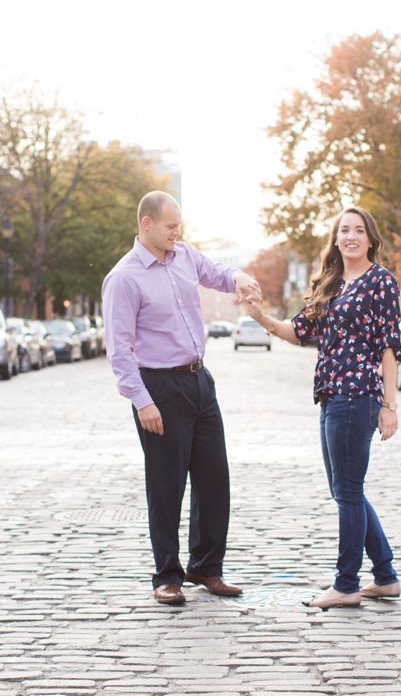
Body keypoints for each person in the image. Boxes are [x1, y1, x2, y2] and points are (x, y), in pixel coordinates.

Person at [102, 191, 260, 605]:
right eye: (171, 226)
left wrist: (239, 277)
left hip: (199, 381)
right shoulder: (124, 278)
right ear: (147, 224)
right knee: (167, 485)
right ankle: (167, 575)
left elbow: (218, 274)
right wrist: (142, 401)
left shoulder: (184, 256)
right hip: (159, 389)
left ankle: (207, 566)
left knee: (213, 479)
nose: (178, 232)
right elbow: (119, 352)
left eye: (180, 226)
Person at [246, 206, 401, 609]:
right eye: (344, 230)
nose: (351, 236)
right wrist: (259, 316)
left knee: (348, 492)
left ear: (370, 239)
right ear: (336, 239)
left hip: (359, 396)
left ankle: (346, 584)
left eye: (358, 230)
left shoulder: (380, 281)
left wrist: (390, 406)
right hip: (331, 396)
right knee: (345, 490)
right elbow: (297, 331)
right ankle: (384, 577)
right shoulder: (331, 284)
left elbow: (389, 348)